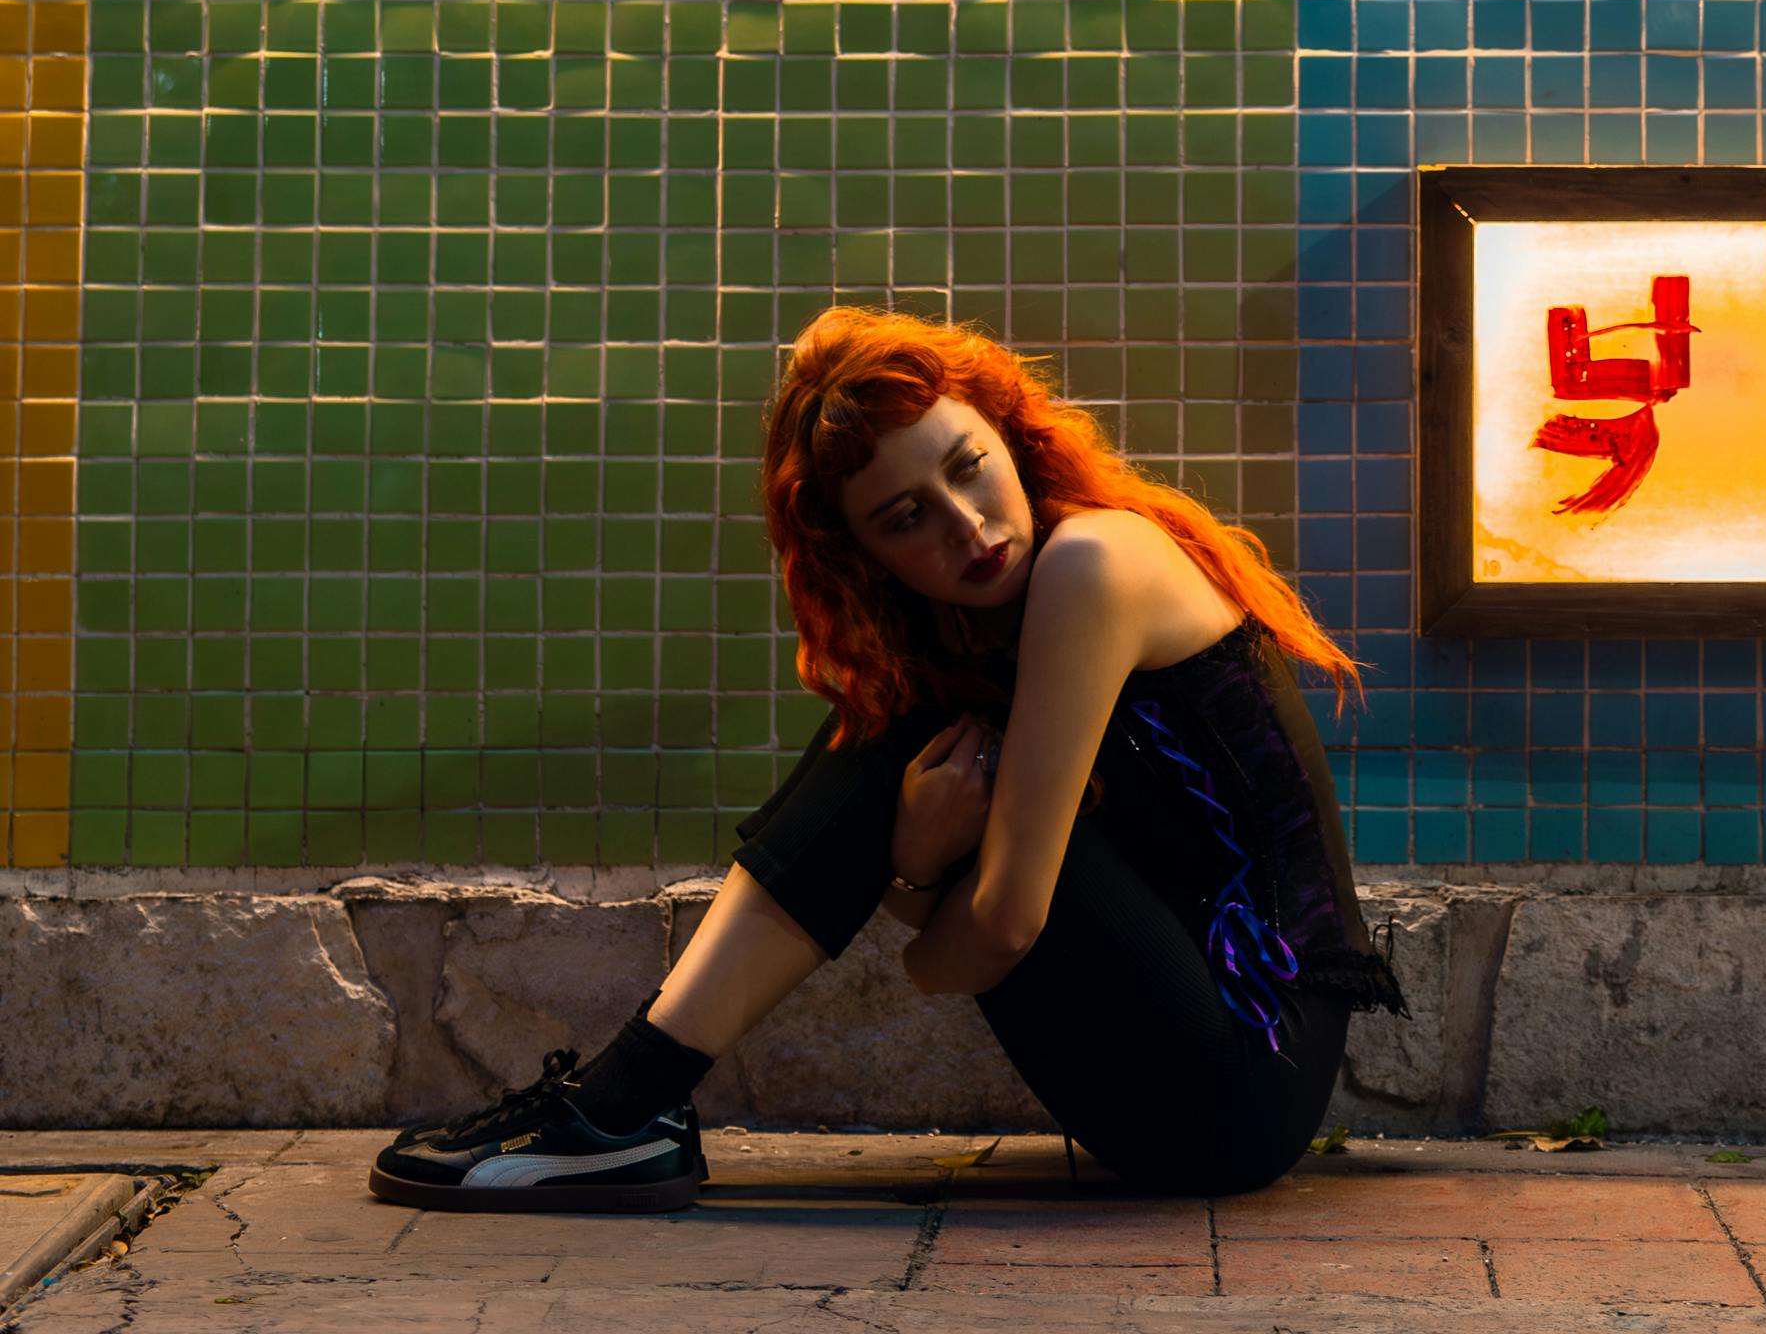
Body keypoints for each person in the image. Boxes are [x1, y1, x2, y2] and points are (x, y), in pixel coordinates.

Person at [367, 310, 1402, 1211]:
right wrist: (918, 872)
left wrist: (914, 886)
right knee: (903, 717)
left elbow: (993, 932)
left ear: (1009, 429)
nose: (969, 526)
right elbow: (978, 936)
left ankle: (617, 1107)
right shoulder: (990, 636)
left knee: (903, 732)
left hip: (1240, 1081)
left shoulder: (1096, 561)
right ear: (864, 557)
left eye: (968, 466)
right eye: (908, 518)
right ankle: (620, 1108)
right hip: (1168, 1101)